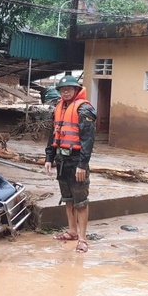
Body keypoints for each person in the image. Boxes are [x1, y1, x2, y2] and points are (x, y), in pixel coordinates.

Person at [44, 75, 97, 253]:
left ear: (76, 90)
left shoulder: (84, 109)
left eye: (69, 89)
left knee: (80, 200)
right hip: (61, 160)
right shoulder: (59, 108)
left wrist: (82, 164)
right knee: (67, 199)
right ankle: (72, 231)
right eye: (62, 90)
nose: (65, 92)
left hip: (76, 160)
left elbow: (88, 140)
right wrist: (49, 158)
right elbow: (53, 135)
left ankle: (82, 239)